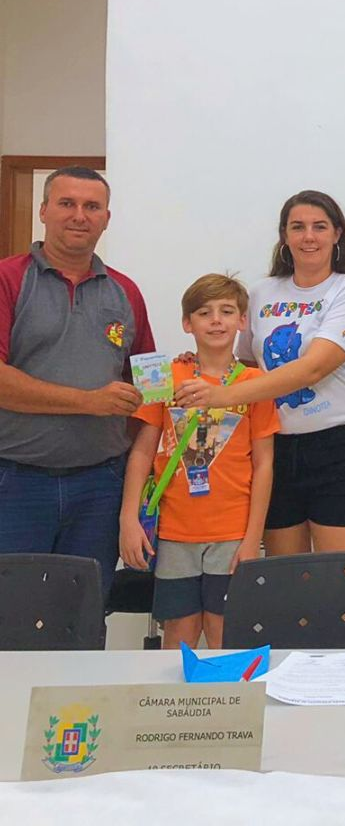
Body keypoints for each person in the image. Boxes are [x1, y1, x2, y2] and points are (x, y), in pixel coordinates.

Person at [174, 191, 345, 554]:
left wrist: (220, 396)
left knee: (338, 582)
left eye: (319, 227)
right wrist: (198, 365)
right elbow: (245, 367)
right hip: (274, 447)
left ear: (338, 235)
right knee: (287, 583)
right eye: (297, 227)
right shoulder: (262, 292)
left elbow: (313, 368)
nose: (308, 237)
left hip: (339, 446)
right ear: (284, 236)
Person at [0, 167, 155, 596]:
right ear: (44, 210)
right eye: (67, 204)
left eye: (92, 206)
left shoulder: (126, 292)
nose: (79, 216)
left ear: (107, 218)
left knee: (84, 615)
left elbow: (150, 392)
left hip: (101, 486)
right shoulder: (8, 279)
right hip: (15, 482)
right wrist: (89, 402)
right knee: (11, 616)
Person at [119, 275, 278, 649]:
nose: (217, 320)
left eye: (227, 311)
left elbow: (265, 464)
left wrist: (254, 537)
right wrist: (128, 517)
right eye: (204, 313)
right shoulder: (164, 375)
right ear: (187, 323)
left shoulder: (256, 383)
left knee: (226, 633)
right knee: (178, 635)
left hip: (233, 532)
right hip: (175, 532)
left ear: (242, 320)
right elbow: (142, 451)